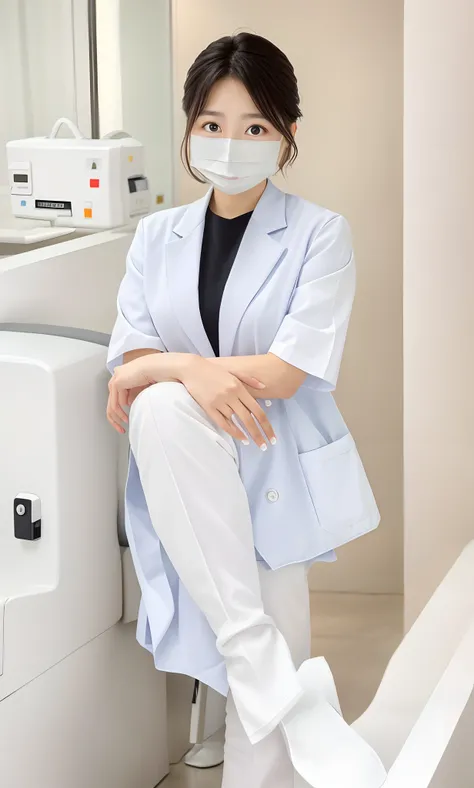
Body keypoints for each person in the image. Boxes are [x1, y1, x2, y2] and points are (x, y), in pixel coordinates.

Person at [106, 32, 386, 788]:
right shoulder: (155, 236)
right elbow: (131, 366)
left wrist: (170, 370)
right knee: (165, 407)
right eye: (212, 124)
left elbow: (289, 371)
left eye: (255, 126)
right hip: (188, 473)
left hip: (269, 462)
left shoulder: (321, 235)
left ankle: (262, 684)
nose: (231, 143)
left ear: (288, 134)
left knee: (163, 404)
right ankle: (266, 676)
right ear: (191, 128)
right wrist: (185, 371)